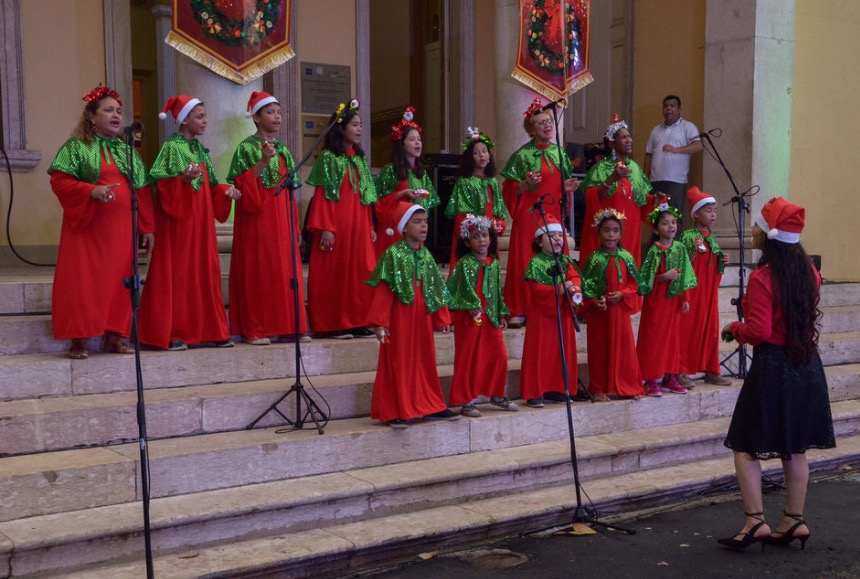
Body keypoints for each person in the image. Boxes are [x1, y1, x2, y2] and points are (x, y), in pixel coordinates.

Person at [718, 197, 835, 551]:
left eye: (759, 223)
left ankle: (755, 521)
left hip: (773, 368)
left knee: (744, 444)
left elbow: (758, 331)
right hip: (806, 365)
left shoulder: (763, 277)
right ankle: (794, 519)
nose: (753, 228)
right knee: (794, 447)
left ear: (769, 235)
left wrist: (734, 329)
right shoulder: (810, 272)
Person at [48, 85, 155, 359]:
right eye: (108, 110)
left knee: (120, 281)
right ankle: (80, 339)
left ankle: (115, 336)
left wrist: (147, 227)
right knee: (84, 282)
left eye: (118, 111)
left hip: (121, 230)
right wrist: (90, 191)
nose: (116, 115)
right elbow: (60, 181)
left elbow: (141, 190)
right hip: (88, 228)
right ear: (92, 117)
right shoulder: (76, 146)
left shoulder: (127, 149)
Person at [138, 95, 239, 351]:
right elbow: (162, 187)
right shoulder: (172, 147)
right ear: (184, 120)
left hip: (201, 224)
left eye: (205, 116)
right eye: (199, 117)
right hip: (179, 225)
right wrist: (182, 179)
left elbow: (211, 186)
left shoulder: (200, 150)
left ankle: (210, 330)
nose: (205, 121)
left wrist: (225, 191)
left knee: (205, 273)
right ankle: (173, 331)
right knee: (179, 274)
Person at [226, 91, 308, 346]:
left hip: (282, 216)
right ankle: (256, 328)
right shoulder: (246, 147)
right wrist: (263, 161)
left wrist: (295, 226)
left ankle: (288, 326)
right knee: (260, 270)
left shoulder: (283, 150)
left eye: (279, 112)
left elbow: (290, 190)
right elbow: (242, 185)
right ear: (256, 117)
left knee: (285, 272)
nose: (277, 117)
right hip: (258, 219)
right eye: (270, 112)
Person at [366, 204, 458, 428]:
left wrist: (442, 318)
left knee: (425, 361)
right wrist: (380, 322)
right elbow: (385, 290)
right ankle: (395, 410)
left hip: (422, 317)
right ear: (404, 227)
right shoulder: (393, 253)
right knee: (399, 361)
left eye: (425, 221)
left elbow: (435, 287)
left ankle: (430, 405)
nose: (424, 225)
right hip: (399, 317)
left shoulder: (425, 254)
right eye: (417, 222)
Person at [501, 98, 579, 326]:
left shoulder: (560, 153)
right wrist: (524, 184)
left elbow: (560, 186)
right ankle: (521, 308)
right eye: (541, 123)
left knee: (556, 254)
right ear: (531, 130)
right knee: (526, 259)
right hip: (529, 216)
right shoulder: (522, 155)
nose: (547, 126)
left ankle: (557, 302)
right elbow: (509, 188)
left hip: (552, 212)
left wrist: (566, 189)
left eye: (549, 121)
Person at [305, 101, 377, 339]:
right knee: (334, 273)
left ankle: (357, 321)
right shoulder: (329, 157)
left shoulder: (359, 159)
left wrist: (370, 226)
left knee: (360, 271)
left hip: (359, 225)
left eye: (360, 125)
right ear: (341, 127)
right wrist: (326, 227)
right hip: (336, 225)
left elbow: (367, 196)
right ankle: (332, 323)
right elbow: (323, 195)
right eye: (354, 125)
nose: (359, 129)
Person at [446, 214, 518, 417]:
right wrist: (465, 304)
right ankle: (466, 400)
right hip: (470, 320)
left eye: (485, 235)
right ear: (467, 242)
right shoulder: (464, 264)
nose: (481, 240)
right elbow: (452, 290)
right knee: (468, 358)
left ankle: (497, 394)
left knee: (499, 356)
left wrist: (501, 313)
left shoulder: (493, 263)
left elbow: (495, 291)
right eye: (476, 236)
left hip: (490, 318)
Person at [579, 209, 644, 401]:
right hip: (601, 314)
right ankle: (599, 388)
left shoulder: (626, 257)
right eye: (606, 230)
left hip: (620, 311)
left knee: (625, 349)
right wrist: (594, 301)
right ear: (598, 233)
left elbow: (635, 283)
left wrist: (623, 294)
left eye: (615, 230)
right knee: (600, 350)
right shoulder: (594, 259)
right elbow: (586, 286)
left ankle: (628, 386)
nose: (611, 235)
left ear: (621, 234)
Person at [580, 113, 662, 266]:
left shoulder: (635, 168)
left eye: (629, 136)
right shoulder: (601, 168)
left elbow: (640, 200)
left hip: (630, 228)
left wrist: (654, 201)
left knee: (627, 265)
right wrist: (612, 178)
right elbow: (592, 197)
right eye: (623, 137)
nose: (629, 140)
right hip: (609, 231)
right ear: (612, 144)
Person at [520, 215, 582, 408]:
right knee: (540, 353)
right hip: (542, 317)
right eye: (551, 235)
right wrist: (558, 289)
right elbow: (536, 289)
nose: (557, 239)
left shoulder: (565, 260)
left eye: (560, 235)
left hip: (562, 314)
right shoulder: (536, 262)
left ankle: (557, 388)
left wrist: (574, 288)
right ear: (539, 241)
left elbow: (575, 278)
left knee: (560, 353)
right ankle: (535, 392)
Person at [636, 203, 697, 397]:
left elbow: (685, 274)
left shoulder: (680, 248)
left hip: (674, 303)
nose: (671, 226)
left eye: (673, 222)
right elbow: (645, 280)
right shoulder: (653, 251)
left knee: (672, 339)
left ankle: (669, 376)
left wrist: (685, 298)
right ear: (655, 229)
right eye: (665, 223)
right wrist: (664, 277)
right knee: (654, 339)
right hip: (657, 303)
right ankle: (650, 378)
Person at [678, 187, 731, 386]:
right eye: (708, 210)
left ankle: (711, 370)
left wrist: (722, 262)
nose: (713, 214)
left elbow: (713, 264)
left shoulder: (711, 236)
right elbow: (682, 264)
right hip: (693, 290)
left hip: (709, 291)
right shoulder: (688, 236)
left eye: (715, 210)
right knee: (688, 329)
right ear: (696, 214)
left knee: (710, 330)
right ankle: (679, 370)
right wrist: (693, 253)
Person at [373, 106, 440, 258]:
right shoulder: (391, 170)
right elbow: (378, 201)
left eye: (419, 139)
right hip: (395, 230)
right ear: (402, 144)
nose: (417, 143)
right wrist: (402, 193)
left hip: (414, 231)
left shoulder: (422, 174)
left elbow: (428, 204)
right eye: (412, 139)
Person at [444, 127, 508, 269]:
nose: (481, 155)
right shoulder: (464, 181)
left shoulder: (493, 182)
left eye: (484, 151)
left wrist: (499, 225)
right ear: (469, 157)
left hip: (489, 235)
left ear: (489, 155)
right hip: (473, 236)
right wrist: (479, 227)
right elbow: (462, 215)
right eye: (476, 153)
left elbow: (499, 211)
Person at [643, 95, 703, 230]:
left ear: (679, 109)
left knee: (674, 218)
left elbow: (698, 146)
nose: (668, 109)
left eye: (672, 106)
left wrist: (676, 150)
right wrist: (645, 178)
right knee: (656, 218)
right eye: (666, 106)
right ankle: (658, 243)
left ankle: (675, 243)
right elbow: (648, 154)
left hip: (676, 182)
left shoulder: (687, 127)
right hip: (655, 180)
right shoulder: (655, 130)